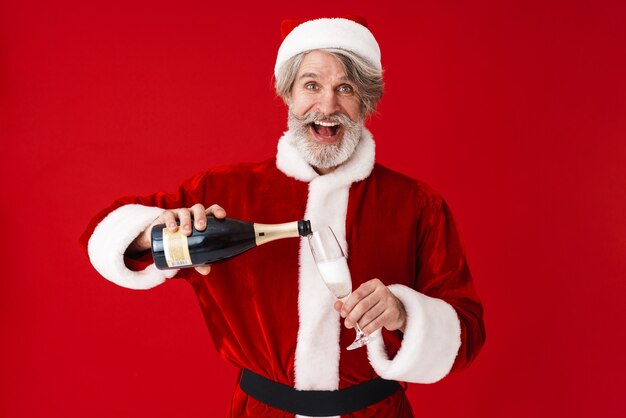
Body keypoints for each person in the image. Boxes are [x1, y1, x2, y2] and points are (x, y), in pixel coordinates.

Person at [80, 17, 485, 417]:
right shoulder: (222, 192)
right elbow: (105, 233)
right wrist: (158, 228)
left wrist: (402, 312)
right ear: (287, 93)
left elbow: (467, 333)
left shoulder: (417, 204)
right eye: (311, 85)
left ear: (365, 101)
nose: (327, 106)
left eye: (345, 88)